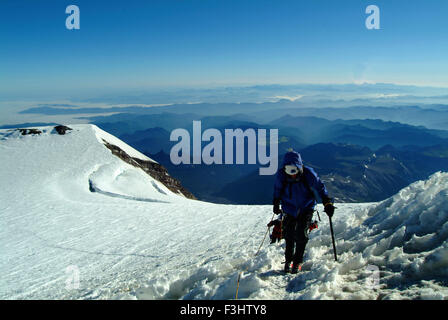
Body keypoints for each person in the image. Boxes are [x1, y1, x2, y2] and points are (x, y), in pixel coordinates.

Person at [273, 150, 335, 274]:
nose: (292, 174)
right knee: (289, 235)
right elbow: (278, 189)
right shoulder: (281, 175)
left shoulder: (308, 174)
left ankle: (297, 261)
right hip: (289, 208)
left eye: (294, 170)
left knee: (301, 234)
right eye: (289, 170)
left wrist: (327, 202)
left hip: (306, 207)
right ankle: (288, 260)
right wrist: (276, 202)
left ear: (299, 167)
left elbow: (320, 187)